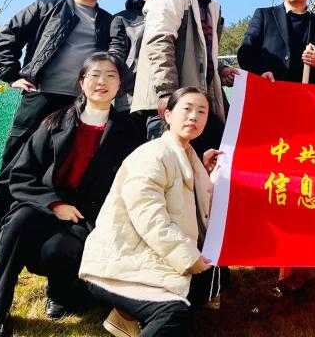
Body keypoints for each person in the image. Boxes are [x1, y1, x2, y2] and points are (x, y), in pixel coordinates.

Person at [0, 0, 126, 267]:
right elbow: (7, 36)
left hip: (79, 106)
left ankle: (42, 242)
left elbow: (116, 54)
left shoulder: (110, 22)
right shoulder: (46, 8)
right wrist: (11, 74)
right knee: (14, 167)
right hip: (40, 97)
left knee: (65, 173)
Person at [0, 52, 141, 337]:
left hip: (88, 215)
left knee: (57, 251)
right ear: (81, 82)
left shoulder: (128, 133)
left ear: (120, 85)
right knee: (16, 224)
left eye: (111, 76)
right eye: (94, 75)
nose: (102, 82)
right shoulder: (54, 121)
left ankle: (60, 291)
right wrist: (54, 204)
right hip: (44, 204)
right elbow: (21, 174)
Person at [80, 86, 221, 337]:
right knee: (174, 315)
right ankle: (139, 312)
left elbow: (196, 209)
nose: (194, 116)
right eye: (187, 109)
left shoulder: (188, 156)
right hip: (122, 260)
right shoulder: (152, 155)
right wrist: (189, 258)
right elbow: (150, 218)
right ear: (168, 115)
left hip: (153, 255)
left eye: (202, 112)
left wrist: (206, 173)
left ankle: (124, 317)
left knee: (217, 276)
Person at [132, 0, 236, 153]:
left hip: (199, 103)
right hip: (171, 101)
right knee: (167, 166)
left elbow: (201, 52)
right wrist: (167, 92)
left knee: (206, 166)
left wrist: (220, 69)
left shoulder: (211, 5)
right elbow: (159, 40)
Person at [111, 0, 170, 114]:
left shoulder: (177, 12)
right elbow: (116, 53)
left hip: (169, 97)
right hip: (131, 98)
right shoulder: (122, 18)